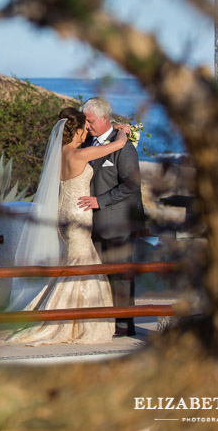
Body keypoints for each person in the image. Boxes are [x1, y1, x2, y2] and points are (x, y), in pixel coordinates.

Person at [5, 108, 132, 346]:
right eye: (84, 129)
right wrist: (122, 131)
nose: (86, 133)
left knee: (71, 261)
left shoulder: (60, 154)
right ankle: (73, 322)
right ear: (76, 131)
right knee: (81, 263)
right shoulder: (79, 155)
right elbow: (117, 146)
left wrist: (111, 129)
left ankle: (63, 316)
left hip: (61, 215)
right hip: (77, 215)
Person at [77, 96, 146, 338]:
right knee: (101, 275)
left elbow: (132, 185)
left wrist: (100, 201)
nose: (88, 125)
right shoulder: (86, 145)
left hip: (119, 223)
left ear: (104, 118)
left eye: (90, 120)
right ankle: (105, 321)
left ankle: (124, 325)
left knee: (121, 275)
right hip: (93, 225)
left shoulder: (124, 148)